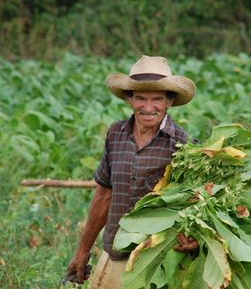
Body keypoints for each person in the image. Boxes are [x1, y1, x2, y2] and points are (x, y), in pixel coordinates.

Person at [65, 55, 198, 289]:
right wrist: (83, 250)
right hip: (116, 250)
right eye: (140, 98)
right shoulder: (116, 134)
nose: (148, 107)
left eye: (157, 99)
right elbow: (104, 194)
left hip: (156, 257)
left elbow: (196, 201)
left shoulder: (183, 145)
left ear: (169, 101)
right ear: (129, 99)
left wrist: (194, 238)